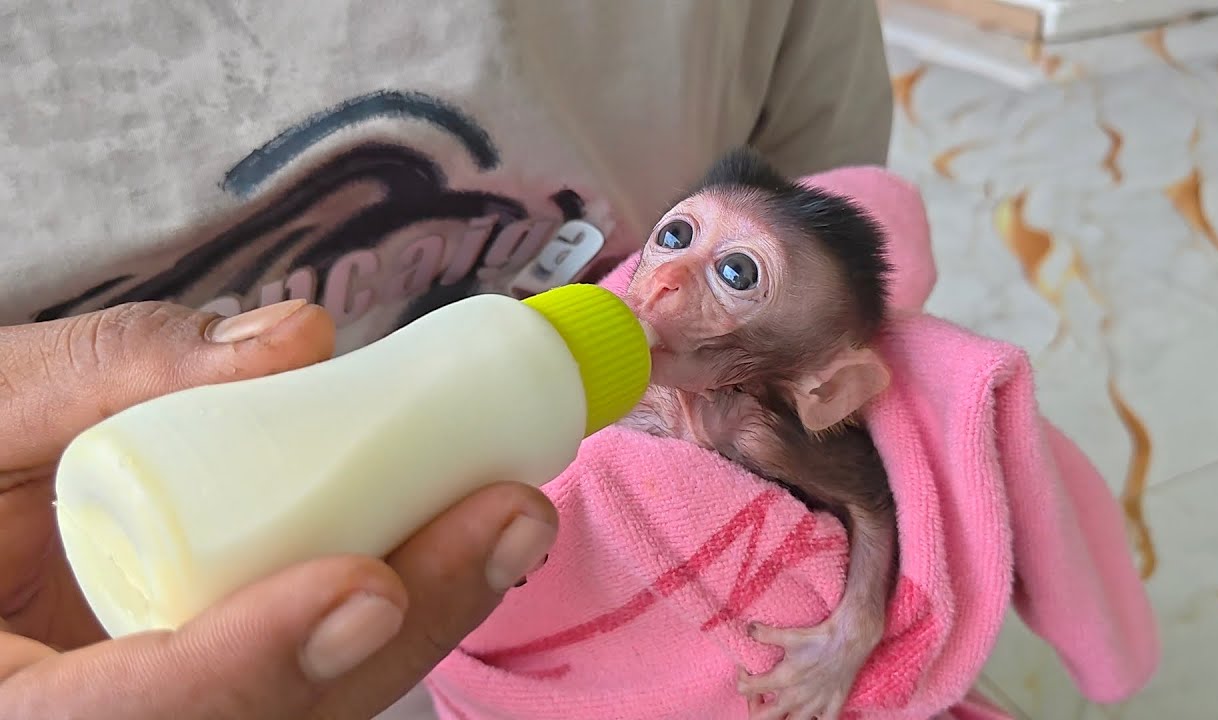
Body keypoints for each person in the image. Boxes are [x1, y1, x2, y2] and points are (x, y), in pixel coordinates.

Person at [0, 1, 893, 718]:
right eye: (677, 236)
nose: (658, 286)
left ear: (825, 388)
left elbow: (868, 492)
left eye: (735, 274)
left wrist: (844, 640)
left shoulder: (783, 426)